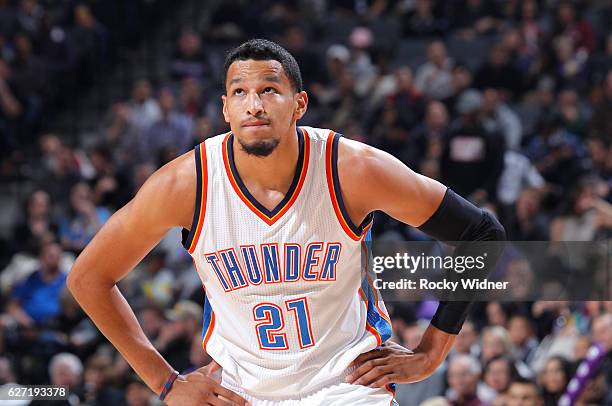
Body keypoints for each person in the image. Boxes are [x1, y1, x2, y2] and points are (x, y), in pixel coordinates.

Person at [67, 39, 505, 405]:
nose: (253, 104)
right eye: (239, 92)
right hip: (238, 391)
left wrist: (431, 353)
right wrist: (165, 384)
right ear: (224, 109)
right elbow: (89, 277)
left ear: (299, 104)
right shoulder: (188, 183)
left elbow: (482, 234)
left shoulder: (352, 169)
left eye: (269, 89)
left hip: (346, 386)